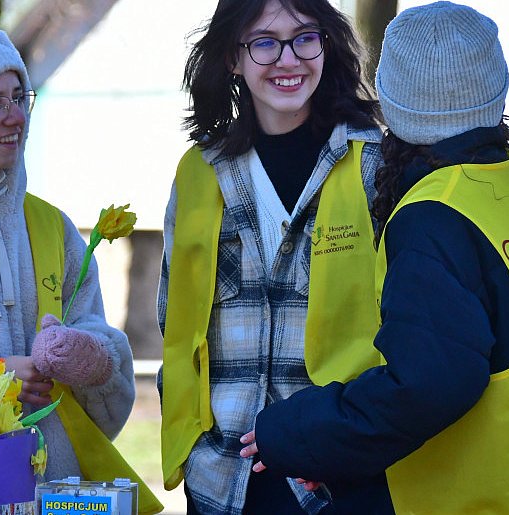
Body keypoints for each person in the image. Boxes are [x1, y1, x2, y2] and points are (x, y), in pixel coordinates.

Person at [241, 2, 509, 513]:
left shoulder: (432, 216)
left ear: (389, 103)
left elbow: (428, 383)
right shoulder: (505, 191)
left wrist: (297, 432)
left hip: (457, 496)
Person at [157, 0, 383, 512]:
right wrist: (196, 451)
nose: (289, 59)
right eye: (264, 43)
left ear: (326, 44)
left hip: (340, 477)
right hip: (223, 480)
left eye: (305, 37)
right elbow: (175, 322)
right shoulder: (199, 172)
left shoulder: (373, 164)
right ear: (233, 59)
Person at [0, 15, 136, 482]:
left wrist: (91, 358)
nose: (16, 116)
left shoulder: (50, 225)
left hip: (53, 496)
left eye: (20, 97)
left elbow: (109, 405)